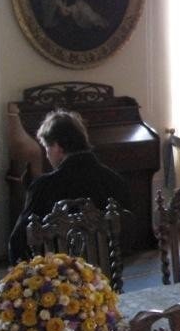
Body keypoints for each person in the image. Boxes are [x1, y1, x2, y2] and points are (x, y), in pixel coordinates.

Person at [8, 109, 130, 264]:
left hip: (60, 279)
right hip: (103, 280)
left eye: (47, 149)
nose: (47, 155)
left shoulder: (44, 186)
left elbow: (18, 242)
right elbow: (127, 234)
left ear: (58, 147)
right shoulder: (115, 181)